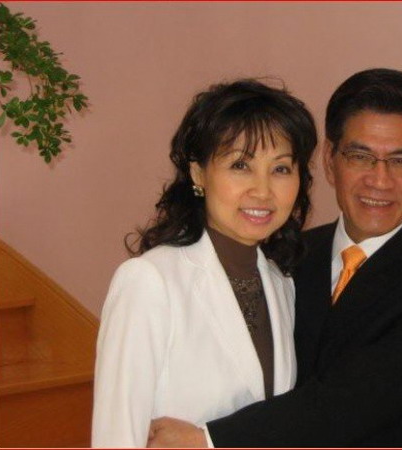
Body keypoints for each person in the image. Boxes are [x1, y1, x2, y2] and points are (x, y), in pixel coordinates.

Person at [148, 68, 402, 448]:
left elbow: (354, 401)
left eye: (400, 161)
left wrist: (209, 440)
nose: (379, 180)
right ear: (330, 161)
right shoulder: (283, 256)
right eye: (360, 156)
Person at [91, 79, 317, 447]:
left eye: (280, 169)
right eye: (240, 165)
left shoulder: (281, 284)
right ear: (198, 174)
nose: (262, 190)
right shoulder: (149, 281)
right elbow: (116, 436)